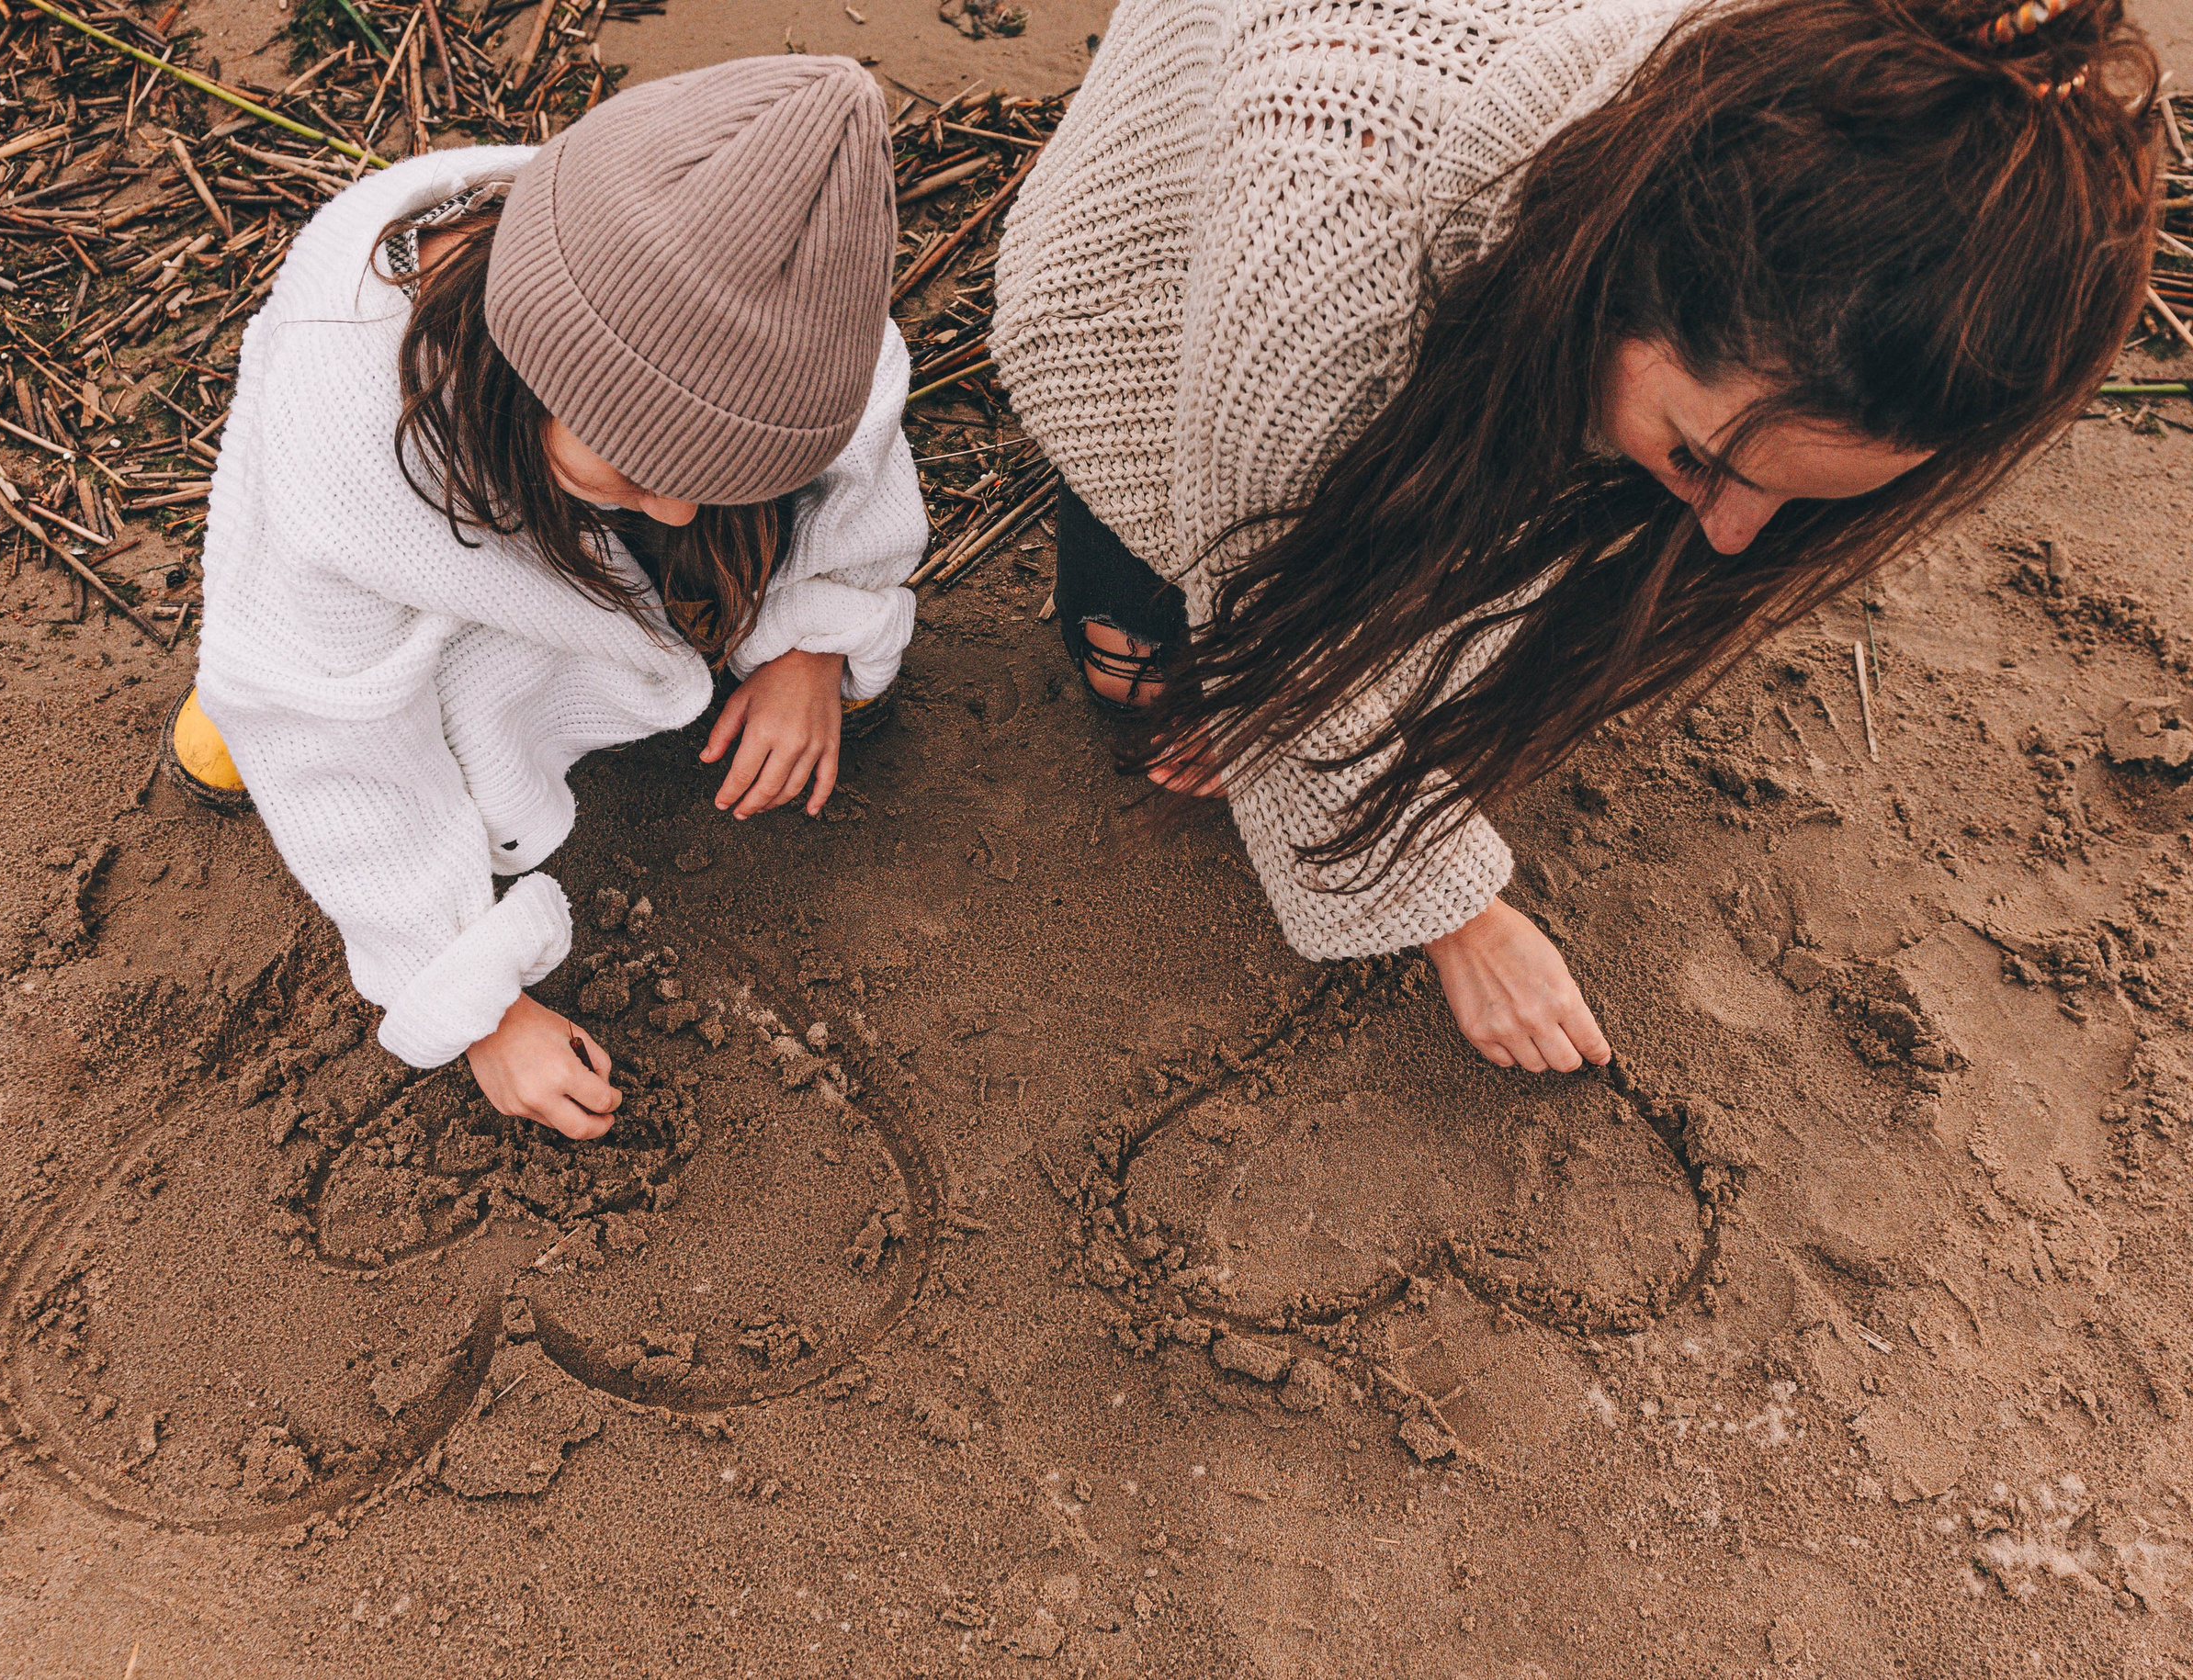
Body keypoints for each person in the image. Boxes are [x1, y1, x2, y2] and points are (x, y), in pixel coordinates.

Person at [992, 0, 2156, 1075]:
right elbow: (1264, 577)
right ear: (1613, 275)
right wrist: (1455, 911)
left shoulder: (1830, 160)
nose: (1737, 538)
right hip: (1186, 247)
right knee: (1166, 660)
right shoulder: (1331, 250)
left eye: (1803, 496)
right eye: (1705, 458)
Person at [172, 57, 923, 1137]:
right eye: (631, 467)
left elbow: (860, 456)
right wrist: (473, 999)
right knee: (308, 704)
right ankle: (244, 687)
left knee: (700, 548)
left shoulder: (787, 317)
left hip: (548, 522)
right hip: (380, 586)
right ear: (529, 361)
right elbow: (327, 719)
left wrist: (812, 638)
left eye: (707, 477)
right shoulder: (344, 434)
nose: (671, 514)